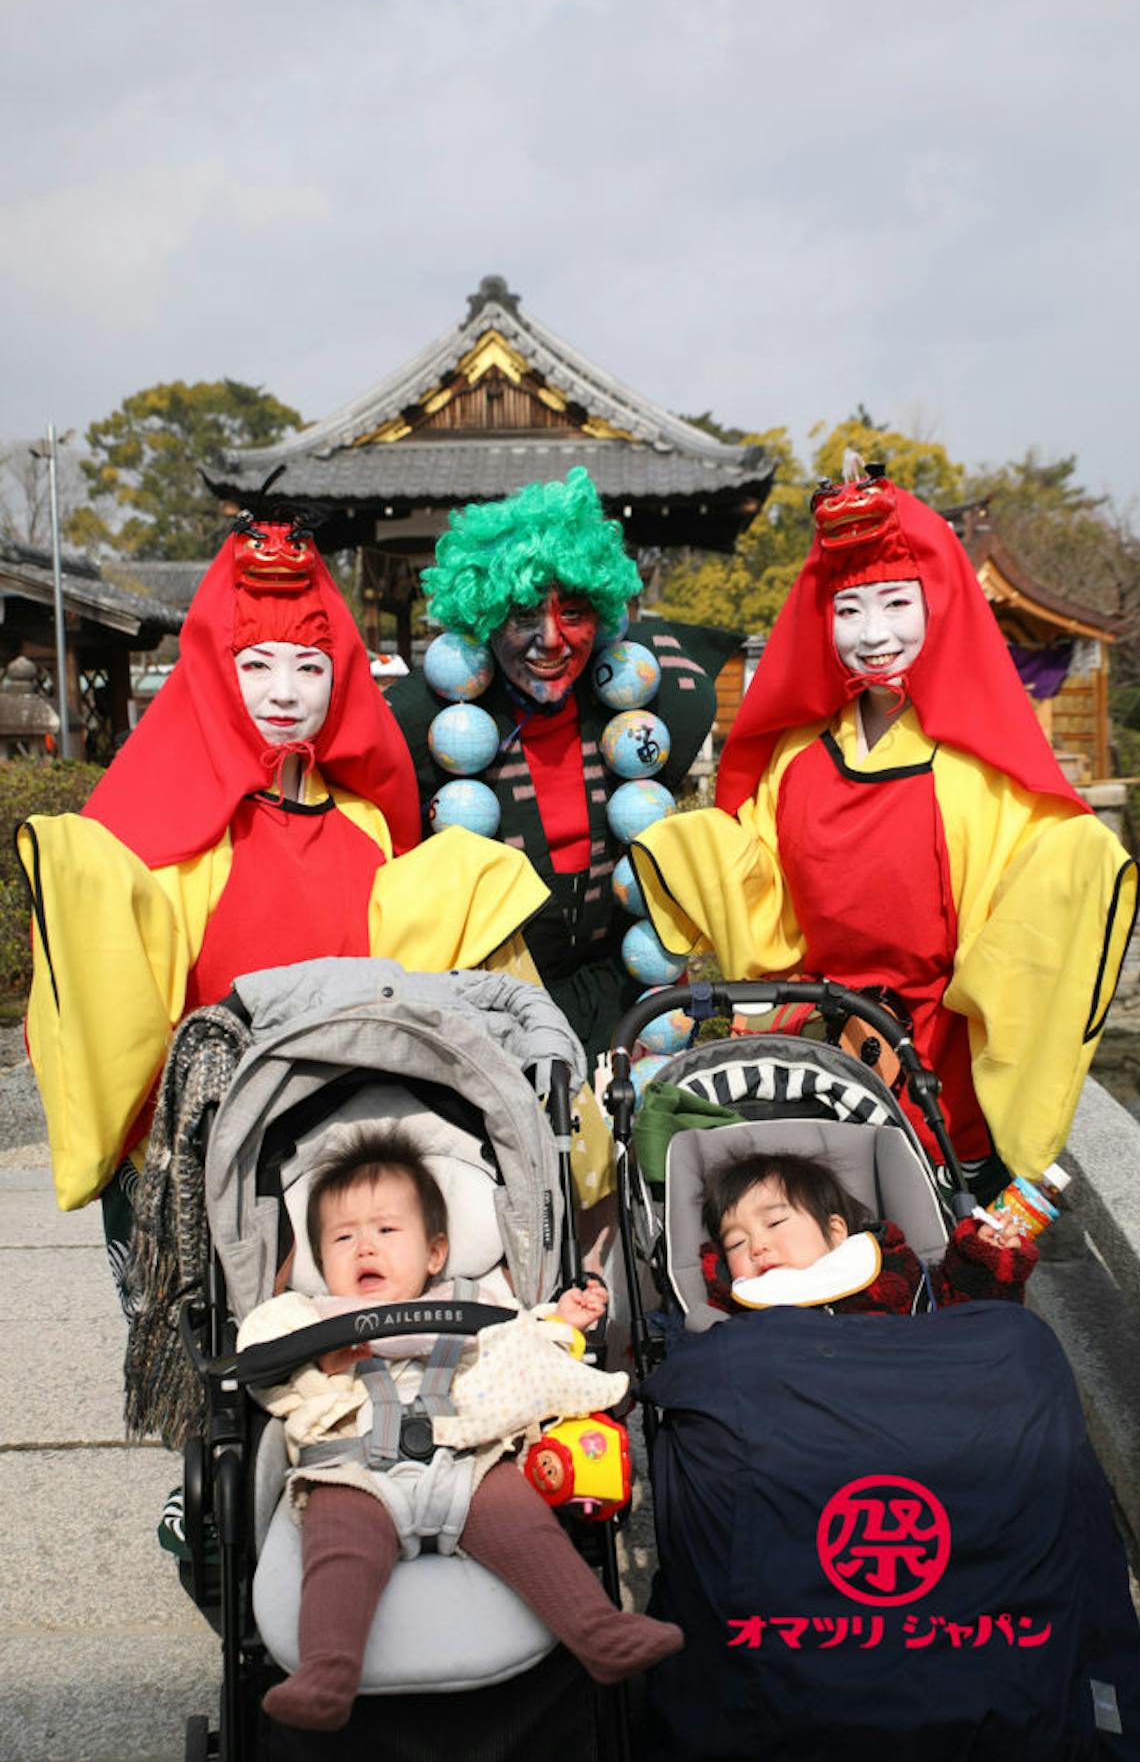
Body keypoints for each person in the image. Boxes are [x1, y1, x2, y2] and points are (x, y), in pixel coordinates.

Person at [18, 506, 549, 1280]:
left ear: (340, 676)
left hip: (346, 1143)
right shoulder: (171, 830)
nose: (284, 692)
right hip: (208, 1142)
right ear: (216, 671)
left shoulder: (368, 820)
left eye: (308, 666)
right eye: (257, 664)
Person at [632, 471, 1138, 1202]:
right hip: (813, 1046)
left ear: (939, 606)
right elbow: (767, 905)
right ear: (822, 617)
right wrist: (699, 851)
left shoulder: (972, 771)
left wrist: (1076, 867)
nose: (874, 634)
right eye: (850, 608)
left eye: (898, 603)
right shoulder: (799, 757)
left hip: (938, 1058)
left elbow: (1020, 922)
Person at [238, 1130, 683, 1731]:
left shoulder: (475, 1299)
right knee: (339, 1544)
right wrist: (314, 1353)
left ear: (435, 1253)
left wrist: (562, 1319)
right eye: (343, 1238)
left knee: (524, 1522)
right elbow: (258, 1353)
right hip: (352, 1468)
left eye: (387, 1231)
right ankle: (327, 1670)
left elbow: (525, 1340)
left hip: (466, 1459)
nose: (365, 1246)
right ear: (320, 1261)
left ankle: (598, 1632)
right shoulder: (308, 1317)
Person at [387, 467, 739, 1081]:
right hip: (495, 1000)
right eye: (525, 615)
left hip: (622, 991)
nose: (551, 639)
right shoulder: (428, 727)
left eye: (573, 612)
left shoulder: (647, 703)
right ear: (487, 614)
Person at [700, 1151, 1036, 1318]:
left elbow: (969, 1314)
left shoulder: (892, 1267)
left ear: (835, 1232)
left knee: (1016, 1334)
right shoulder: (737, 1308)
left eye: (774, 1224)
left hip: (918, 1385)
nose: (757, 1246)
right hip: (814, 1413)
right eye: (736, 1243)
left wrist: (985, 1260)